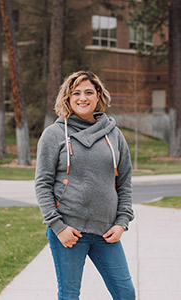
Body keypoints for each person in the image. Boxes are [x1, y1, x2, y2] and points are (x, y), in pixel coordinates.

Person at [35, 70, 135, 300]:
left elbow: (124, 182)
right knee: (69, 296)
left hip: (106, 232)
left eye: (89, 92)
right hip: (69, 231)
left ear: (98, 95)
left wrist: (122, 222)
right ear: (68, 98)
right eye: (76, 93)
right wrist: (58, 227)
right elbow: (42, 184)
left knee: (126, 293)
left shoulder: (115, 135)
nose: (83, 98)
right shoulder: (54, 134)